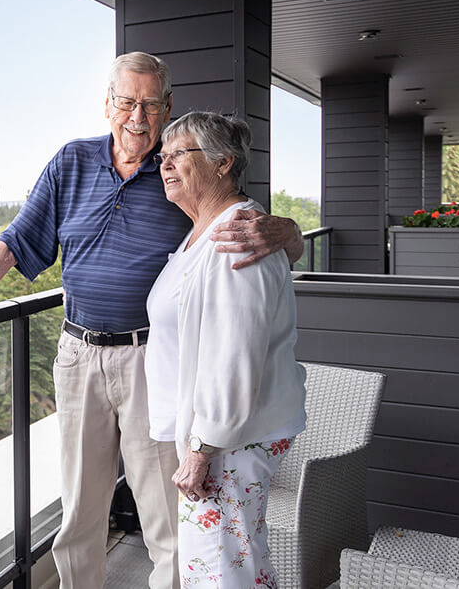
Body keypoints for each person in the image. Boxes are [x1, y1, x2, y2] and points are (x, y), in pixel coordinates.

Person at [0, 51, 303, 589]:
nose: (138, 116)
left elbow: (245, 224)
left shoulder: (181, 170)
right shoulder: (73, 162)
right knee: (80, 509)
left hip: (151, 361)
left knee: (166, 514)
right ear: (107, 105)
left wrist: (289, 232)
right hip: (79, 353)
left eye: (150, 105)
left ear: (167, 107)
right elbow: (19, 236)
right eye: (127, 102)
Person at [146, 112, 306, 588]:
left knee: (226, 567)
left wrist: (202, 448)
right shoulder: (204, 230)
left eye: (180, 154)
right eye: (163, 156)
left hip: (227, 438)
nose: (166, 164)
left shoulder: (238, 235)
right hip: (218, 435)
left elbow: (234, 354)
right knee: (226, 560)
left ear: (223, 163)